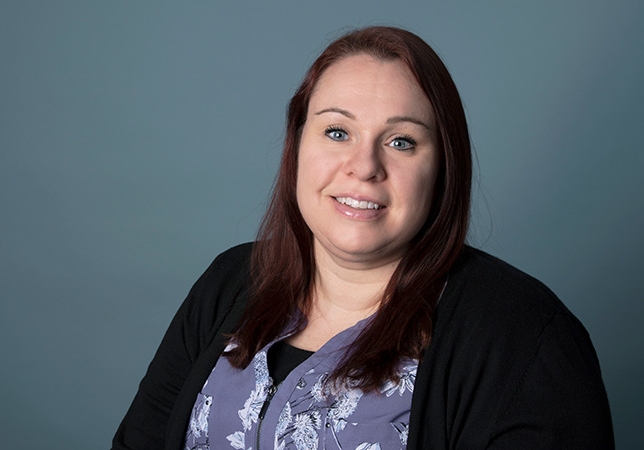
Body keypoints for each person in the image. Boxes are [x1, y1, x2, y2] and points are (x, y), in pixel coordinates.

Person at [112, 26, 614, 450]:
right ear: (297, 144)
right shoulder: (230, 282)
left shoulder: (524, 337)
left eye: (401, 142)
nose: (364, 167)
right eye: (337, 132)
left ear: (443, 167)